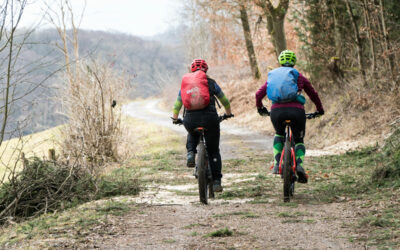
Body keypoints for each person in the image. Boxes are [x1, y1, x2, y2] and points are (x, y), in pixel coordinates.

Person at [255, 50, 324, 183]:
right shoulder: (299, 76)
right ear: (294, 62)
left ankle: (276, 164)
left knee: (279, 134)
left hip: (277, 112)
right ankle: (299, 165)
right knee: (299, 140)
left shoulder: (272, 76)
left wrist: (260, 108)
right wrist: (320, 109)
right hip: (296, 112)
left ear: (280, 62)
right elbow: (313, 94)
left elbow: (258, 94)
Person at [172, 59, 232, 192]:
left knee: (192, 133)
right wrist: (228, 114)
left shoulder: (186, 84)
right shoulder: (211, 83)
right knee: (214, 150)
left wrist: (175, 119)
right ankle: (216, 182)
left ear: (191, 71)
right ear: (206, 70)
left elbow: (177, 105)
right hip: (210, 119)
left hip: (190, 119)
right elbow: (225, 101)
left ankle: (190, 154)